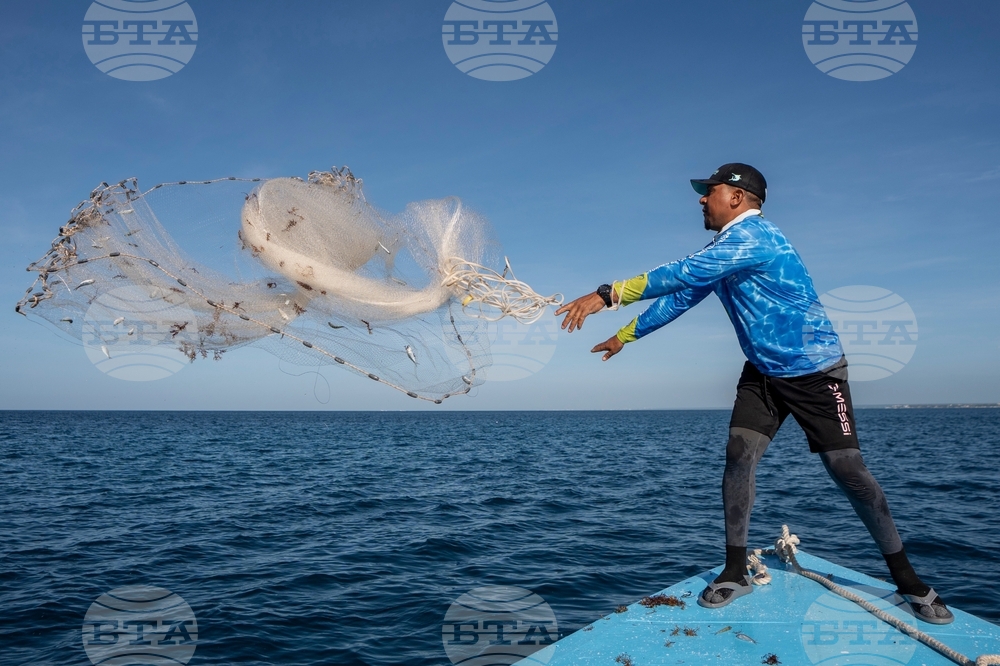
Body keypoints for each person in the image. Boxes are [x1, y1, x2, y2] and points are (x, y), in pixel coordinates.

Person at [555, 163, 953, 623]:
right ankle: (734, 571)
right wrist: (626, 335)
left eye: (711, 191)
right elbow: (682, 293)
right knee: (738, 457)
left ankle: (910, 583)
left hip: (814, 372)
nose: (702, 199)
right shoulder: (724, 248)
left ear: (738, 198)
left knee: (848, 472)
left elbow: (682, 273)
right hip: (762, 373)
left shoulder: (755, 238)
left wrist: (607, 294)